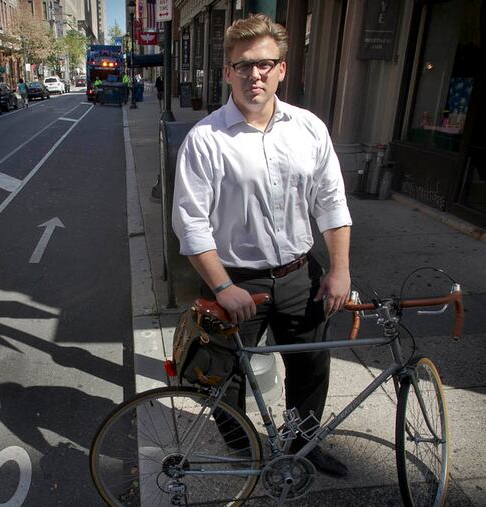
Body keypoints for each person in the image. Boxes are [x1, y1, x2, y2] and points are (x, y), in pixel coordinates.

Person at [172, 14, 352, 477]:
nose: (255, 74)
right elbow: (191, 224)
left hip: (299, 273)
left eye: (265, 64)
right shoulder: (205, 140)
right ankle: (241, 447)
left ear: (282, 70)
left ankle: (304, 446)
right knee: (224, 376)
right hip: (234, 279)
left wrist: (339, 269)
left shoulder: (309, 128)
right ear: (228, 71)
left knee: (310, 367)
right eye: (244, 65)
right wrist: (223, 286)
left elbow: (331, 203)